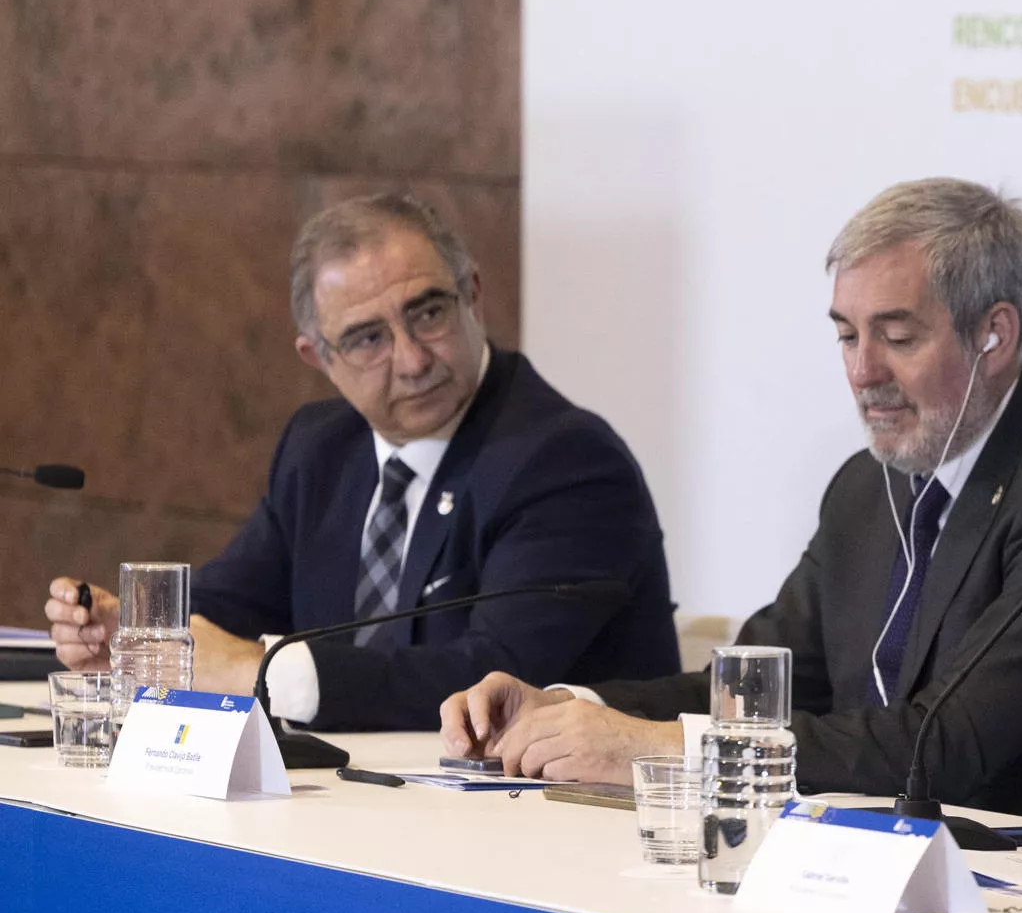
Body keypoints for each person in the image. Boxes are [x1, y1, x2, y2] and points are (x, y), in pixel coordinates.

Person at [442, 178, 1022, 841]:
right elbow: (756, 690)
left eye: (897, 337)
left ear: (995, 334)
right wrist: (573, 707)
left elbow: (943, 745)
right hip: (909, 876)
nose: (862, 373)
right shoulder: (867, 486)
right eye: (847, 336)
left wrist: (650, 746)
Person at [45, 192, 679, 732]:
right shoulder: (321, 447)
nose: (411, 359)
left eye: (428, 313)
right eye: (368, 338)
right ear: (318, 357)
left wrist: (259, 672)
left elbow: (492, 674)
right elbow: (229, 605)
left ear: (473, 296)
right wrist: (129, 632)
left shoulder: (565, 461)